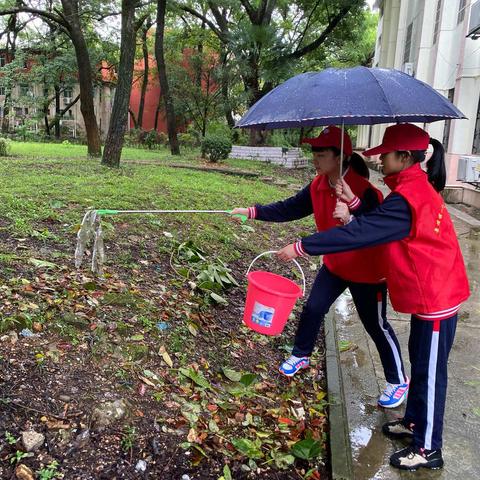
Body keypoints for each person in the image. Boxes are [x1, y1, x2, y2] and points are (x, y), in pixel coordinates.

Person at [275, 123, 470, 471]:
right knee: (420, 362)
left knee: (430, 372)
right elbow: (375, 220)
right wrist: (352, 203)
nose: (381, 161)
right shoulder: (408, 190)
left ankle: (427, 449)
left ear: (405, 157)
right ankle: (413, 424)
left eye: (386, 156)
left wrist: (303, 246)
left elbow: (363, 232)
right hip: (429, 294)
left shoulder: (407, 198)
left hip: (437, 296)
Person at [232, 125, 408, 409]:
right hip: (336, 265)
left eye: (321, 153)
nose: (315, 158)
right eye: (313, 151)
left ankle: (398, 380)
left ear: (340, 156)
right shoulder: (318, 184)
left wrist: (352, 213)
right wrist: (252, 212)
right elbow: (289, 208)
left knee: (375, 325)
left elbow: (374, 229)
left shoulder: (367, 192)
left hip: (368, 272)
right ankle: (301, 354)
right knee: (313, 307)